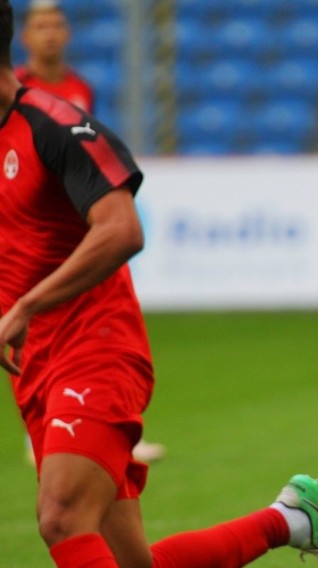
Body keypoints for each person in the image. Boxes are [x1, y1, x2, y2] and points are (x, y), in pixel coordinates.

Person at [0, 2, 318, 567]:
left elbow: (121, 229)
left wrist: (26, 305)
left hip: (94, 350)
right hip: (34, 371)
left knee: (62, 517)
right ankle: (289, 519)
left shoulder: (55, 123)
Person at [14, 0, 166, 465]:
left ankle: (102, 423)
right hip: (38, 227)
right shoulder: (16, 90)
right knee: (39, 322)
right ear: (23, 37)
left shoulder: (80, 87)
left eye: (57, 24)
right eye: (40, 25)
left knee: (100, 313)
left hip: (79, 220)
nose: (50, 33)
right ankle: (48, 429)